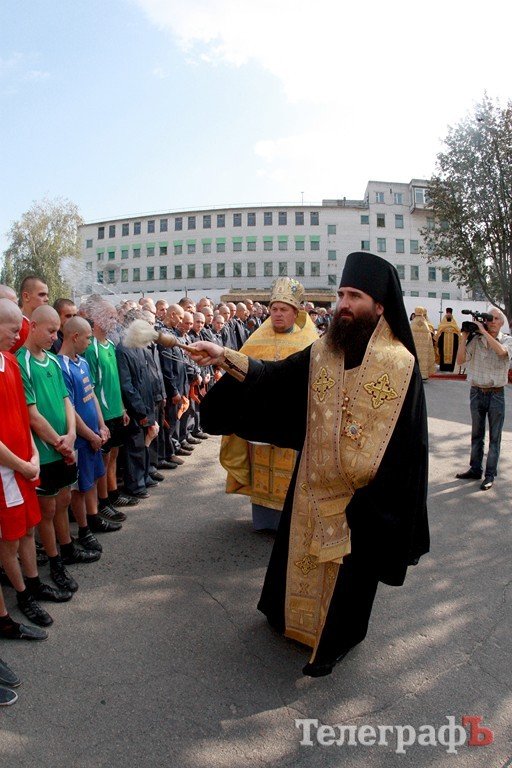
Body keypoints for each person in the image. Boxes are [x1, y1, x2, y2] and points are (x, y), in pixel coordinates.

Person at [190, 252, 429, 677]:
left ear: (379, 305)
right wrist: (224, 355)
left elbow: (409, 446)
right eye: (341, 294)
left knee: (348, 582)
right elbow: (275, 376)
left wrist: (381, 503)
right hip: (309, 485)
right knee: (296, 562)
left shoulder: (401, 364)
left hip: (361, 500)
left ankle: (336, 641)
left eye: (354, 296)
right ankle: (285, 619)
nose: (344, 304)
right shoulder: (324, 351)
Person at [219, 278, 319, 532]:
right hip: (261, 422)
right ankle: (264, 521)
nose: (277, 314)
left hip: (292, 421)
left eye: (283, 309)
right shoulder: (256, 339)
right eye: (274, 309)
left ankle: (288, 523)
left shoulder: (309, 341)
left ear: (296, 313)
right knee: (262, 471)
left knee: (292, 472)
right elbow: (240, 373)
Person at [455, 308, 512, 490]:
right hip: (476, 392)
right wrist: (464, 337)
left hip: (496, 394)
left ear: (502, 322)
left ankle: (489, 475)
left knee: (495, 437)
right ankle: (475, 469)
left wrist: (483, 331)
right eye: (489, 318)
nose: (491, 321)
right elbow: (460, 361)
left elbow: (502, 352)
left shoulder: (507, 340)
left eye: (495, 319)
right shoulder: (476, 340)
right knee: (476, 435)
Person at [410, 307, 435, 381]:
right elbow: (429, 337)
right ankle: (423, 375)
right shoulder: (425, 324)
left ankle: (413, 375)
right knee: (423, 361)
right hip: (424, 350)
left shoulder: (413, 323)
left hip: (415, 348)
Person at [435, 308, 460, 372]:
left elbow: (458, 332)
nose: (448, 315)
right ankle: (443, 368)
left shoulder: (454, 324)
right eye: (447, 314)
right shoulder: (442, 324)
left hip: (453, 343)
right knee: (443, 354)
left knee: (453, 355)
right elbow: (439, 332)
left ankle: (452, 368)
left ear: (451, 315)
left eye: (450, 314)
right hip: (443, 342)